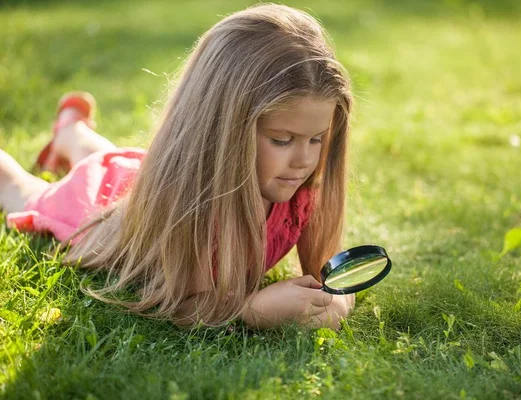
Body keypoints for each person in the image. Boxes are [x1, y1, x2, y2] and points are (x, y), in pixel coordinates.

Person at [0, 3, 355, 330]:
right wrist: (252, 310)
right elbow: (183, 305)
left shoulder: (303, 189)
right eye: (281, 140)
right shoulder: (193, 209)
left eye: (317, 139)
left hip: (136, 175)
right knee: (22, 187)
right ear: (222, 132)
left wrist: (335, 299)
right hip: (103, 202)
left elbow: (329, 275)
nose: (304, 160)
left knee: (109, 159)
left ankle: (71, 130)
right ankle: (71, 133)